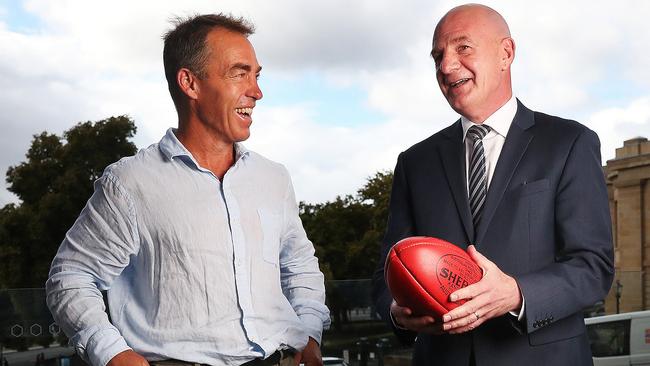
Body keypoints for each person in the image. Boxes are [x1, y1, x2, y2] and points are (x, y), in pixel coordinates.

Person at [46, 14, 330, 366]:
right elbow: (71, 276)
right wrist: (112, 353)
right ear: (190, 84)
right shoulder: (130, 184)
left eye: (256, 75)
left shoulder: (274, 178)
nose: (257, 92)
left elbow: (299, 265)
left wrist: (311, 332)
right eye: (239, 73)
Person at [371, 4, 614, 366]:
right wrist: (396, 310)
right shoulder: (415, 162)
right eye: (438, 56)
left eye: (462, 48)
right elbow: (387, 271)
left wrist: (516, 294)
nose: (446, 66)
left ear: (506, 53)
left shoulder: (569, 143)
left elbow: (593, 266)